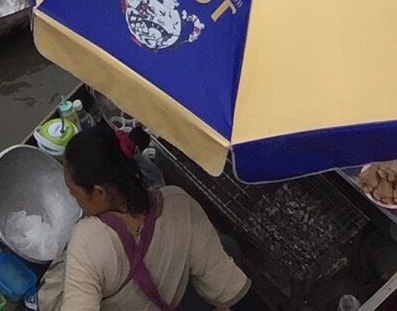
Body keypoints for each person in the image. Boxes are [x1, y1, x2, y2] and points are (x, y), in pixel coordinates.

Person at [38, 122, 249, 311]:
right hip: (169, 299)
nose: (77, 203)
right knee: (228, 246)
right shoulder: (179, 202)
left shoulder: (87, 240)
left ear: (99, 192)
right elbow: (224, 285)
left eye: (76, 195)